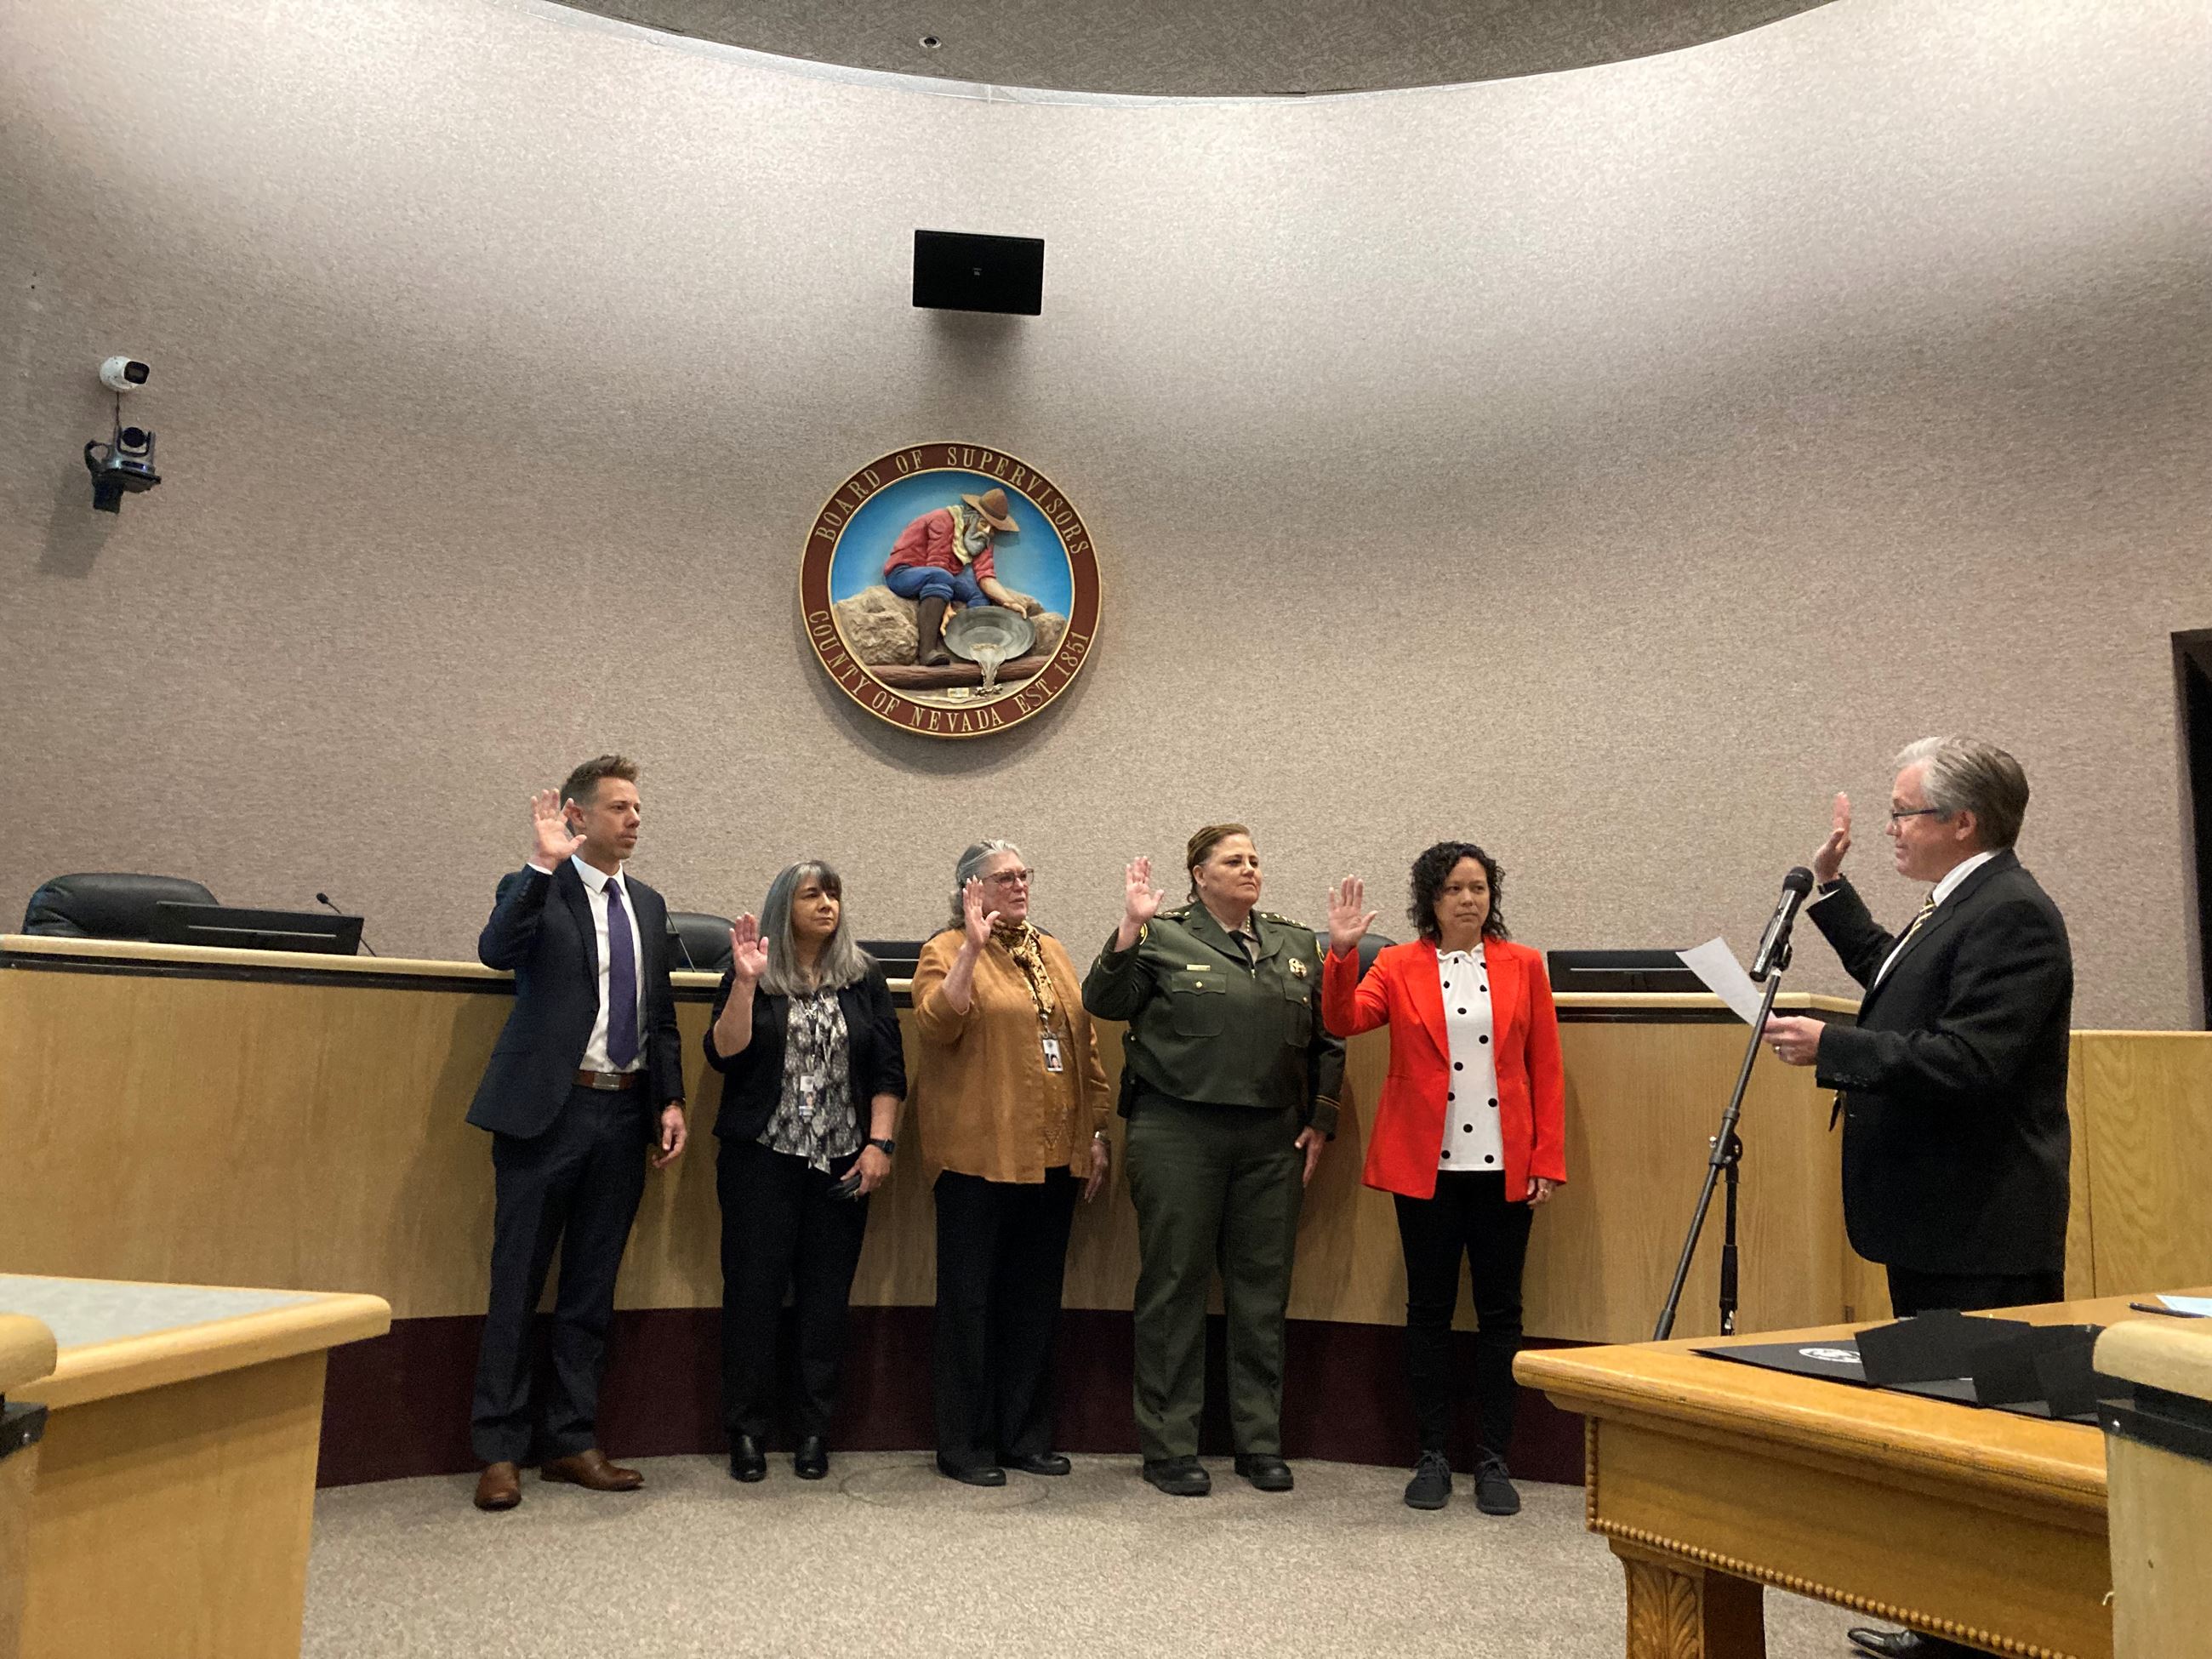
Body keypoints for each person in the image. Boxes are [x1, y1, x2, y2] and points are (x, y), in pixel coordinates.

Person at [1762, 738, 2072, 1659]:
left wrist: (1832, 1047)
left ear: (1962, 821)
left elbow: (1972, 1060)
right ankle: (1947, 1623)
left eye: (1903, 813)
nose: (1890, 828)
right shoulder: (1959, 906)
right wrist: (1828, 893)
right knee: (1940, 1420)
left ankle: (1989, 1635)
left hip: (1980, 1225)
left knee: (1984, 1438)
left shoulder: (2012, 914)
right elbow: (1895, 986)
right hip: (1934, 1217)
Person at [1081, 824, 1343, 1497]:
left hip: (1271, 1139)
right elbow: (1103, 1003)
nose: (1250, 868)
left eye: (1255, 858)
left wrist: (1321, 1119)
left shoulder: (1295, 943)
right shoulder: (1161, 935)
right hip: (1178, 1130)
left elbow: (1329, 1037)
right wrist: (1127, 928)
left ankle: (1259, 1442)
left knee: (1262, 1291)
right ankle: (1170, 1446)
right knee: (1175, 1285)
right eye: (1234, 860)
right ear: (1200, 875)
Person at [465, 756, 688, 1513]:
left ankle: (570, 1438)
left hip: (623, 1113)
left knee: (591, 1285)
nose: (634, 819)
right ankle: (499, 1450)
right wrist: (541, 865)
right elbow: (497, 951)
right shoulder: (535, 885)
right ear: (577, 815)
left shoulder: (648, 905)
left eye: (638, 808)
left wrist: (670, 1099)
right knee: (518, 1281)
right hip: (546, 1112)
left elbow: (660, 1015)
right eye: (620, 807)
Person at [1322, 845, 1565, 1516]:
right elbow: (1343, 1020)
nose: (1468, 899)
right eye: (1455, 888)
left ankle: (1493, 1458)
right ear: (1431, 898)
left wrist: (1547, 1159)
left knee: (1501, 1313)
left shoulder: (1525, 965)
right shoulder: (1397, 964)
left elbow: (1545, 1067)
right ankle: (1430, 1453)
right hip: (1424, 1168)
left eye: (1479, 887)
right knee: (1427, 1311)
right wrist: (1341, 954)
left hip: (1504, 1168)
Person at [909, 841, 1113, 1486]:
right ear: (971, 890)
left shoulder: (1051, 951)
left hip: (1052, 1157)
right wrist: (972, 949)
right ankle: (964, 1445)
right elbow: (937, 1025)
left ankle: (1024, 1436)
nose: (1020, 884)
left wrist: (1096, 1131)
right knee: (970, 1304)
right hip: (977, 1158)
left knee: (1034, 1301)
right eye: (1004, 878)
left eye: (1025, 875)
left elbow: (1085, 1045)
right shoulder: (945, 949)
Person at [705, 861, 904, 1484]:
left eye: (833, 894)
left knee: (825, 1301)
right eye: (812, 895)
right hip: (761, 1161)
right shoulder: (751, 970)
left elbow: (888, 1071)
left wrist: (880, 1144)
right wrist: (745, 985)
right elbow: (724, 1054)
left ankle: (814, 1430)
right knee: (753, 1298)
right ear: (783, 907)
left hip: (841, 1163)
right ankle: (747, 1431)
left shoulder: (863, 977)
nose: (827, 905)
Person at [882, 487, 1041, 666]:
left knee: (978, 593)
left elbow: (986, 577)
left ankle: (974, 648)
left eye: (993, 528)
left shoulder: (981, 538)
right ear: (970, 516)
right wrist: (946, 608)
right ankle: (927, 652)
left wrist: (1009, 602)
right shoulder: (942, 520)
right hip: (903, 574)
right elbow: (937, 564)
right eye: (984, 523)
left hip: (943, 576)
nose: (987, 530)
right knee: (941, 576)